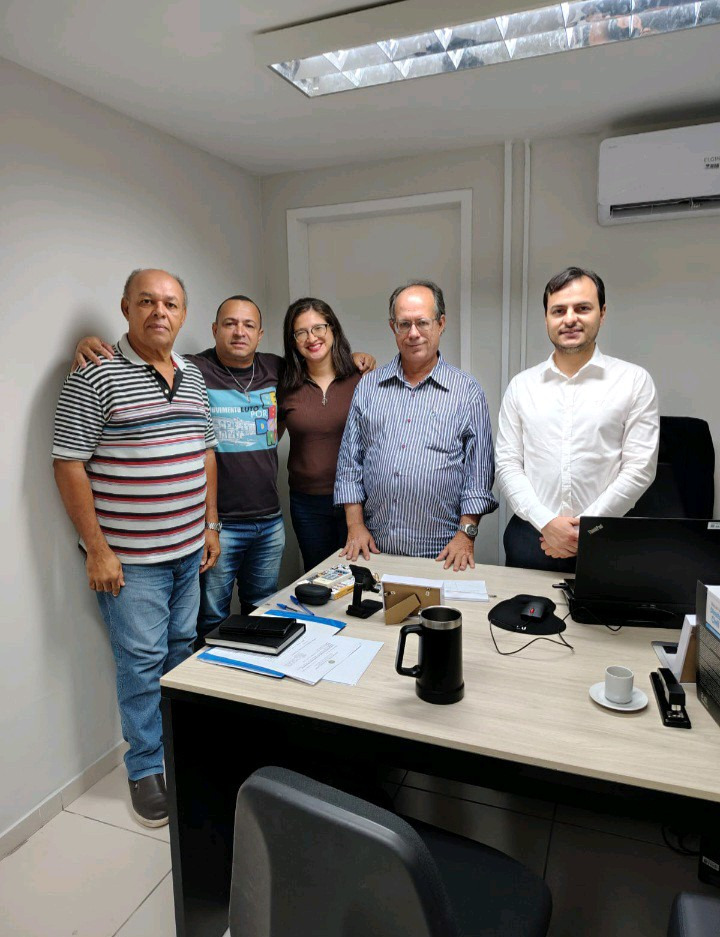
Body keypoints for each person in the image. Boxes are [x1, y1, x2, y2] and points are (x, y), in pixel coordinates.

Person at [73, 299, 375, 640]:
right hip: (225, 522)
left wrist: (358, 358)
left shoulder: (282, 371)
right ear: (215, 330)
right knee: (213, 616)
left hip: (275, 518)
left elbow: (326, 369)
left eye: (248, 325)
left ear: (261, 335)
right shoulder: (193, 369)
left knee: (267, 610)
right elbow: (148, 358)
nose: (239, 332)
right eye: (230, 324)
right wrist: (92, 347)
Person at [53, 269, 219, 828]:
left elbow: (205, 455)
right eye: (147, 301)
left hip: (187, 548)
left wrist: (210, 525)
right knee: (141, 663)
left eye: (171, 303)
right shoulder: (94, 374)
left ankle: (177, 749)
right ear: (125, 308)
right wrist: (96, 548)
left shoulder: (193, 376)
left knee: (179, 649)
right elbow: (69, 463)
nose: (159, 312)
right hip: (132, 562)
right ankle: (146, 768)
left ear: (183, 314)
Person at [495, 266, 659, 573]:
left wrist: (584, 528)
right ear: (547, 318)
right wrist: (547, 523)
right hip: (531, 536)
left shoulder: (634, 381)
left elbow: (639, 468)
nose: (570, 318)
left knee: (599, 622)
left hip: (604, 539)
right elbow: (507, 464)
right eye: (559, 310)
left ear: (602, 312)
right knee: (517, 620)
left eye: (582, 308)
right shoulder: (522, 386)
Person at [334, 280, 498, 571]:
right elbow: (350, 464)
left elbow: (479, 474)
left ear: (441, 323)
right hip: (373, 548)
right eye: (403, 324)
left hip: (444, 553)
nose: (413, 334)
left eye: (422, 322)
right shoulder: (369, 387)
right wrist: (355, 526)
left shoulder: (467, 391)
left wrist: (467, 534)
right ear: (392, 327)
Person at [278, 298, 363, 572]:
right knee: (320, 579)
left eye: (318, 328)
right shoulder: (285, 384)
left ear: (333, 330)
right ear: (292, 341)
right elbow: (267, 440)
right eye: (301, 332)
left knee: (360, 577)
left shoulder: (362, 378)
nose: (311, 338)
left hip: (358, 501)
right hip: (307, 504)